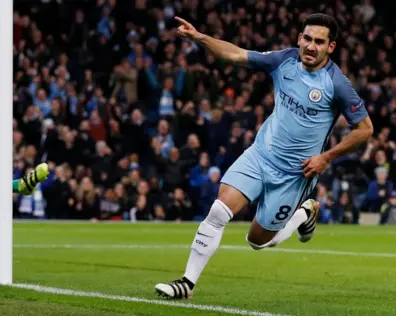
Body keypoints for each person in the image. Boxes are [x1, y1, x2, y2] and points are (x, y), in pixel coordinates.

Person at [155, 14, 373, 300]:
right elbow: (235, 54)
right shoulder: (283, 60)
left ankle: (303, 213)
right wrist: (200, 38)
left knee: (257, 241)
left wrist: (327, 158)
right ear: (299, 38)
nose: (310, 46)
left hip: (295, 174)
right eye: (307, 38)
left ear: (330, 47)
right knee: (219, 210)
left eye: (319, 42)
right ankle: (187, 283)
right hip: (261, 155)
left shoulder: (337, 84)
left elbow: (365, 129)